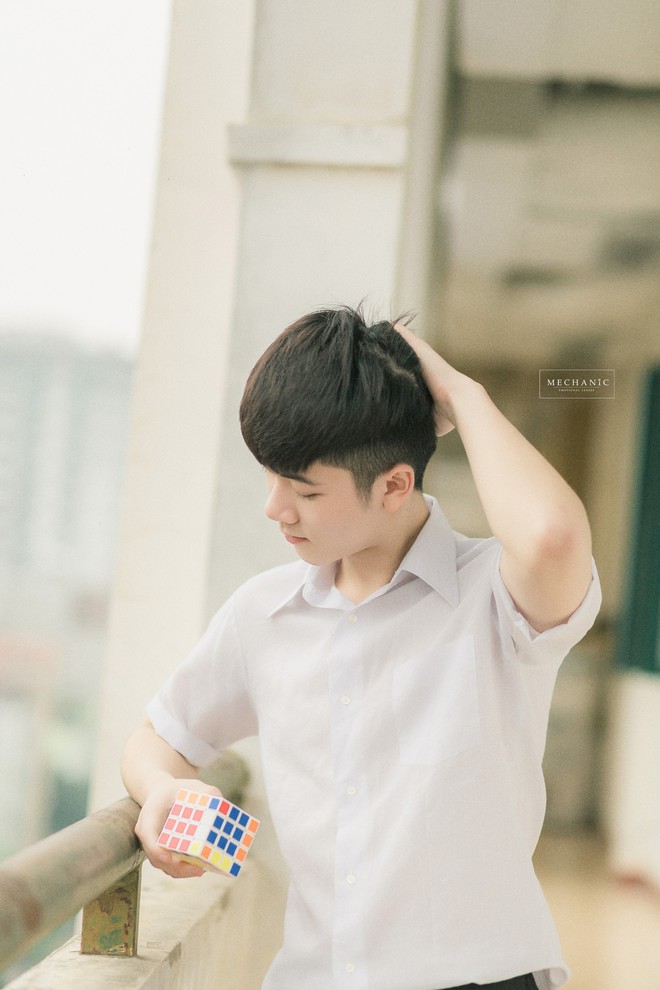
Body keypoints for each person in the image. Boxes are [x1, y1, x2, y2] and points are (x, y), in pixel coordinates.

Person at [121, 305, 601, 990]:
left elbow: (553, 536)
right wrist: (162, 788)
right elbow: (156, 738)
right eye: (271, 477)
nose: (275, 508)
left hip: (483, 978)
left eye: (305, 490)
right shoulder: (263, 614)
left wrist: (461, 394)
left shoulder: (495, 597)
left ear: (395, 485)